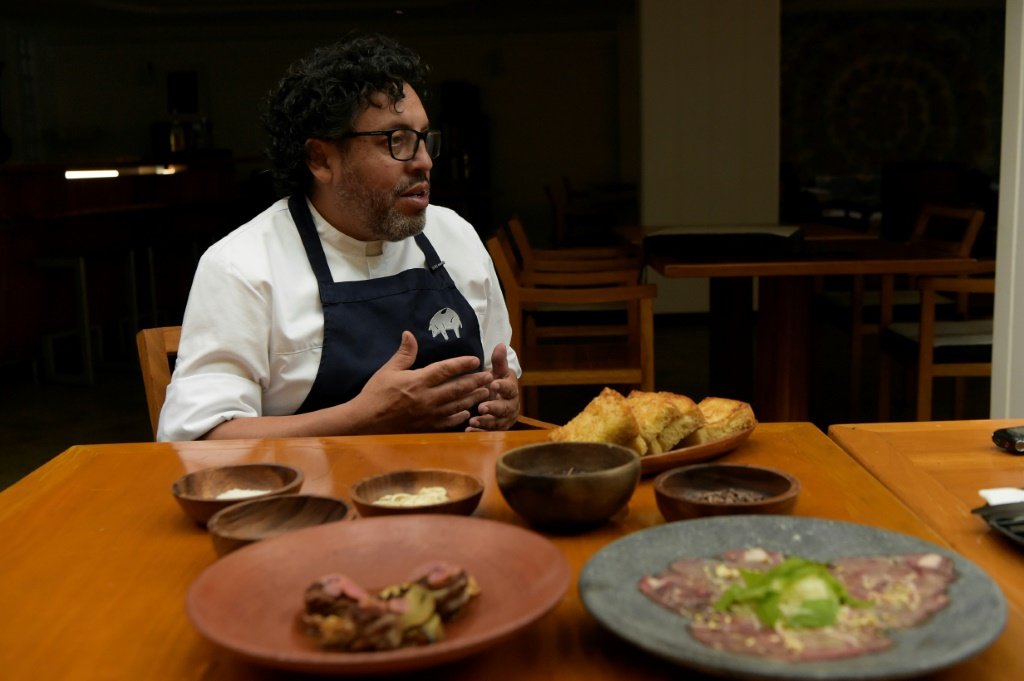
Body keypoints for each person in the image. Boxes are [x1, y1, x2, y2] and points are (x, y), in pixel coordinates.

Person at [157, 33, 521, 441]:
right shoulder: (243, 266)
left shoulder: (455, 234)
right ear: (321, 159)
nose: (424, 162)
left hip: (461, 488)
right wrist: (361, 419)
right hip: (315, 500)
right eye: (395, 141)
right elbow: (197, 441)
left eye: (424, 138)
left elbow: (501, 370)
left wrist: (504, 400)